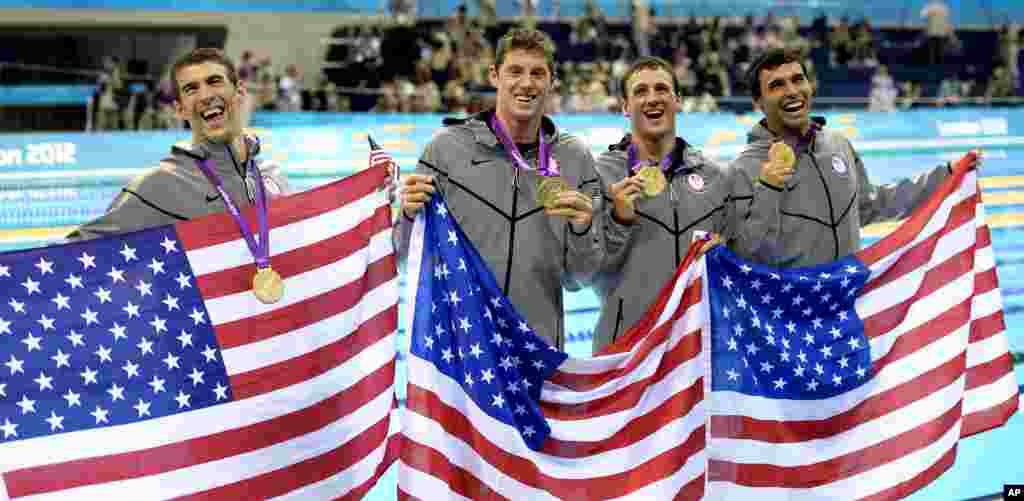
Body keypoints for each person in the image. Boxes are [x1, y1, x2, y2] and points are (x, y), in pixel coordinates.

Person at [397, 28, 603, 348]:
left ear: (552, 81)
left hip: (536, 351)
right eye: (515, 71)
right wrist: (408, 215)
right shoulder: (446, 150)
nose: (526, 83)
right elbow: (403, 255)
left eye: (538, 73)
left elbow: (580, 279)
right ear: (495, 75)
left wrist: (581, 231)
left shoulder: (574, 158)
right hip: (462, 350)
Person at [590, 56, 770, 351]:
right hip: (625, 348)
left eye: (661, 89)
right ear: (624, 107)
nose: (652, 99)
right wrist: (619, 220)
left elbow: (744, 258)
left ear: (677, 100)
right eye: (640, 92)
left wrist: (724, 251)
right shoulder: (601, 175)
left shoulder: (715, 177)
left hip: (696, 350)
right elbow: (583, 273)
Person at [730, 49, 959, 269]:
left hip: (845, 297)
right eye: (777, 85)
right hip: (789, 305)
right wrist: (768, 189)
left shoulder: (836, 144)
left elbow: (868, 207)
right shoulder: (744, 169)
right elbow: (742, 256)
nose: (792, 90)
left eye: (798, 79)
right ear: (758, 102)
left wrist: (947, 177)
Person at [68, 48, 288, 241]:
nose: (205, 96)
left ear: (239, 92)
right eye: (191, 89)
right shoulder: (159, 185)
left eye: (214, 81)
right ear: (180, 109)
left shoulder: (271, 175)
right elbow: (72, 254)